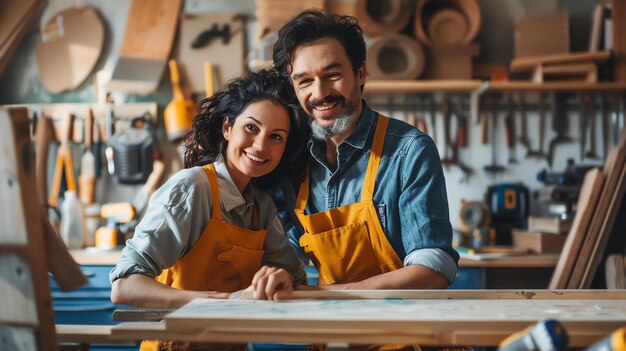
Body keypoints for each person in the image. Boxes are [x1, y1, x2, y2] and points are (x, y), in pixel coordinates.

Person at [262, 9, 459, 297]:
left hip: (404, 333)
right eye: (304, 81)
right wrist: (278, 272)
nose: (320, 93)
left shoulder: (408, 151)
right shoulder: (293, 154)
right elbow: (290, 250)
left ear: (361, 73)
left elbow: (434, 267)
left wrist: (333, 294)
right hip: (330, 333)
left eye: (333, 74)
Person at [109, 68, 308, 351]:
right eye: (251, 128)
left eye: (276, 137)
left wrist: (282, 278)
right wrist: (219, 303)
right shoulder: (193, 188)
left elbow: (296, 281)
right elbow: (125, 286)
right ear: (227, 128)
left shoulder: (261, 207)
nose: (261, 145)